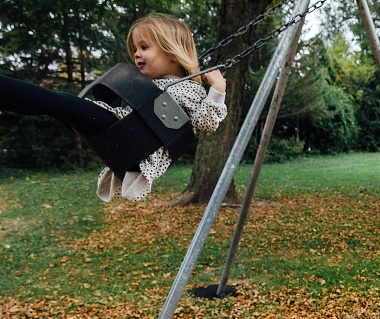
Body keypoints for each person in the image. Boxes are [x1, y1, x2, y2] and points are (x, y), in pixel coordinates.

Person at [0, 13, 227, 202]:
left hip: (133, 141)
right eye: (135, 48)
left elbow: (206, 122)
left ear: (172, 52)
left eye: (144, 46)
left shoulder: (191, 90)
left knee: (59, 101)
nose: (136, 53)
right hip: (119, 130)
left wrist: (217, 90)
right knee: (53, 106)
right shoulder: (147, 86)